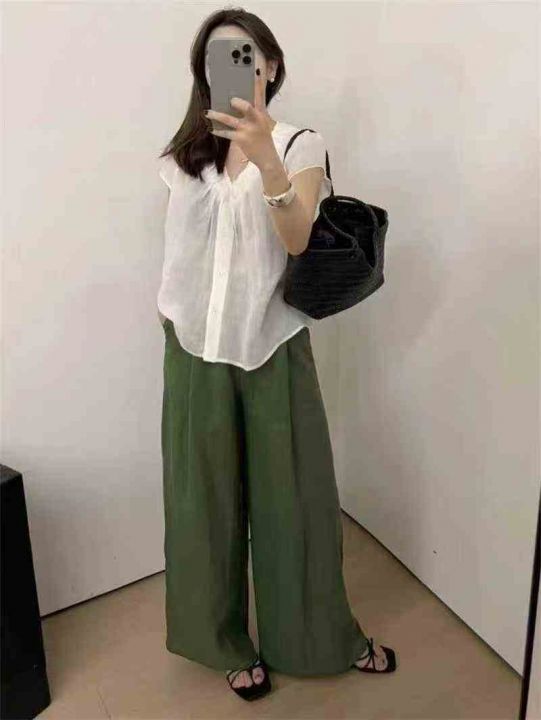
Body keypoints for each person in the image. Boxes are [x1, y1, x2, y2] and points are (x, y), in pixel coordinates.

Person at [156, 7, 397, 702]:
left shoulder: (299, 143)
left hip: (271, 344)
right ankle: (223, 644)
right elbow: (184, 251)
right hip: (192, 347)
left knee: (295, 501)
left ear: (269, 65)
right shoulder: (186, 155)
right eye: (216, 57)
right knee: (201, 506)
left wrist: (266, 158)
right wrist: (169, 314)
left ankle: (319, 639)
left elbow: (296, 239)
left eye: (244, 54)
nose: (230, 66)